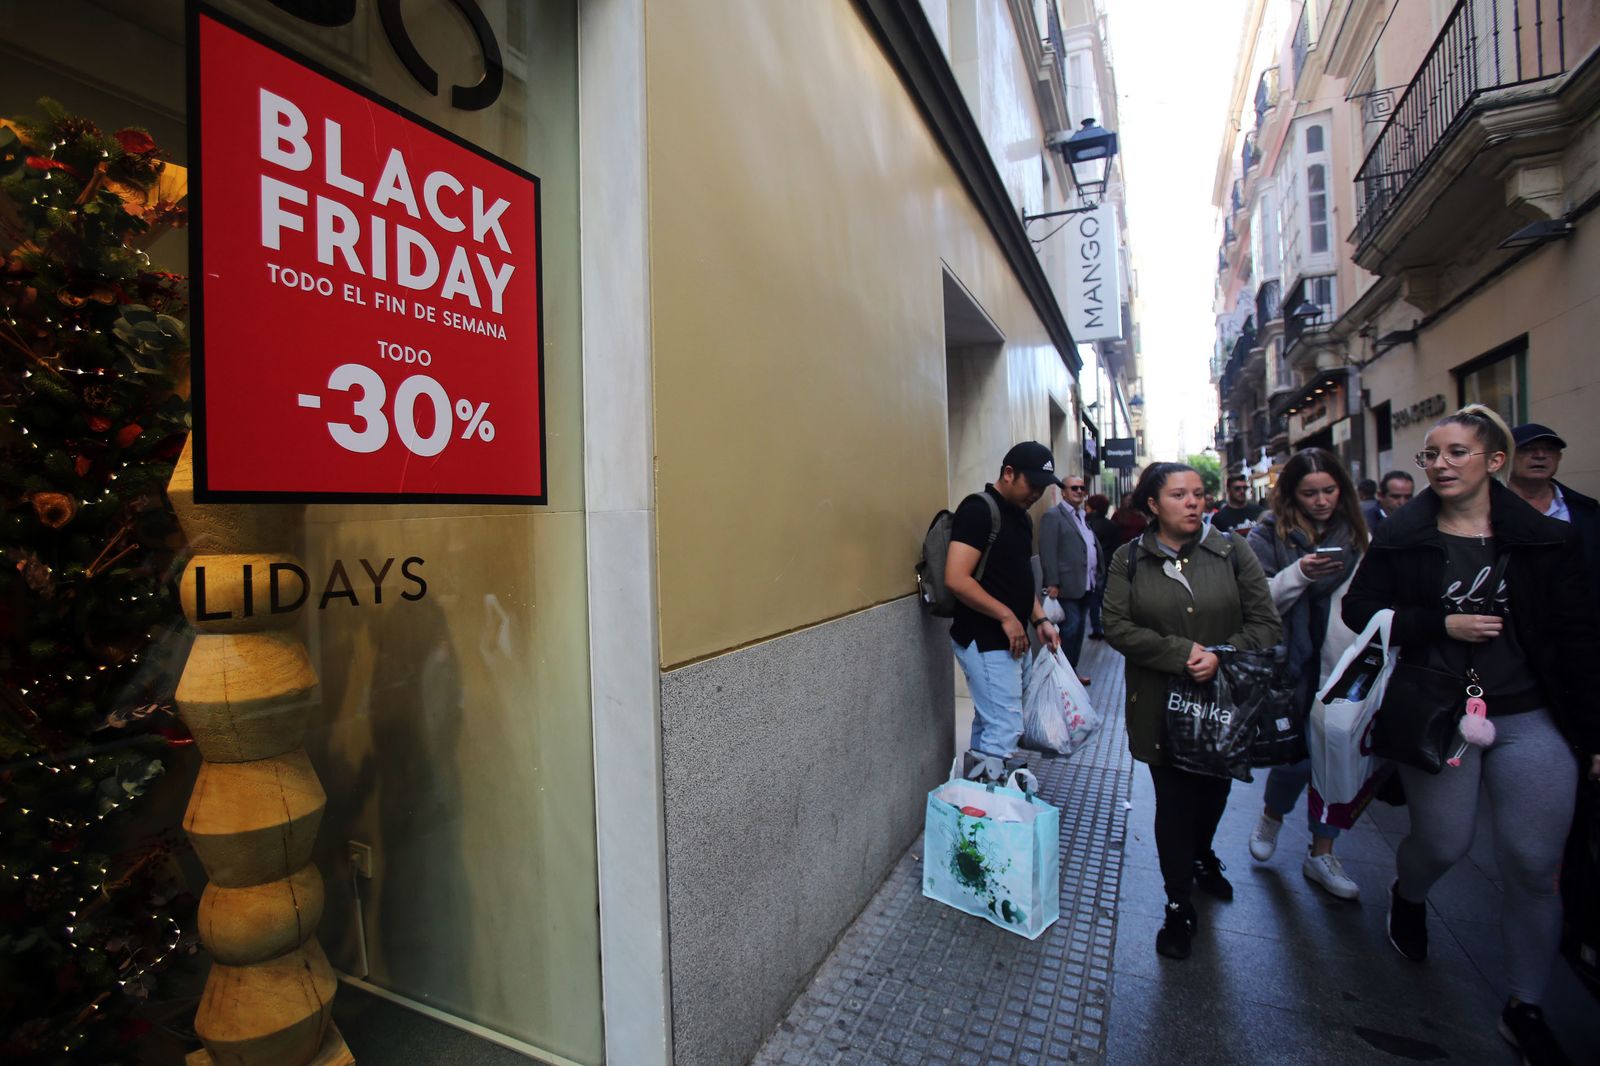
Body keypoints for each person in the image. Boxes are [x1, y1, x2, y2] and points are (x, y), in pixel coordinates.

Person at [1343, 404, 1600, 1066]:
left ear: (1494, 461)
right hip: (1438, 711)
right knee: (1444, 842)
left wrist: (1592, 732)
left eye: (1457, 452)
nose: (1441, 464)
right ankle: (1410, 892)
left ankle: (1525, 1004)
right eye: (1432, 454)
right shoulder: (1404, 536)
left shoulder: (1547, 540)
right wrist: (1439, 625)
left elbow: (1577, 638)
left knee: (1534, 865)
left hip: (1529, 713)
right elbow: (1358, 609)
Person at [1103, 462, 1282, 961]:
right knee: (1175, 803)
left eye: (1199, 493)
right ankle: (1178, 904)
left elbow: (1266, 623)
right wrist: (1183, 654)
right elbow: (1116, 626)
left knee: (1213, 792)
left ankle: (1203, 853)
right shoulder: (1129, 559)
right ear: (1153, 505)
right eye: (1179, 495)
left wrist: (1220, 654)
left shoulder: (1232, 551)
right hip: (1161, 705)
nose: (1193, 502)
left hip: (1224, 705)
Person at [1245, 448, 1369, 900]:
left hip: (1342, 665)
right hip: (1288, 665)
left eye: (1329, 491)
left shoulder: (1358, 536)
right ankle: (1272, 816)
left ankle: (1322, 851)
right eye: (1310, 493)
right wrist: (1298, 572)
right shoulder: (1267, 535)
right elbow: (1258, 602)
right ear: (1292, 495)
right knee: (1293, 759)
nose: (1321, 502)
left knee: (1334, 762)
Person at [945, 441, 1063, 780]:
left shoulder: (1022, 519)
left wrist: (1038, 618)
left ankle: (975, 807)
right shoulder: (978, 510)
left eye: (1043, 487)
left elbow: (1018, 577)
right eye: (1032, 484)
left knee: (990, 723)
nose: (1037, 493)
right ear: (1008, 473)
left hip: (1009, 639)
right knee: (1004, 727)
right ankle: (991, 816)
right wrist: (1007, 616)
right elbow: (956, 578)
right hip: (983, 639)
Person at [1509, 423, 1600, 609]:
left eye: (1549, 449)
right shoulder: (1485, 510)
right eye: (1527, 448)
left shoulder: (1586, 512)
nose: (1540, 455)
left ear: (1559, 458)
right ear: (1505, 457)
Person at [1040, 475, 1097, 684]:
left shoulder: (1082, 515)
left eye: (1082, 488)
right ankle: (1060, 675)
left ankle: (1071, 671)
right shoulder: (1053, 516)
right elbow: (1048, 550)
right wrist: (1052, 582)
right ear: (1063, 491)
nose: (1079, 491)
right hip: (1065, 586)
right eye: (1074, 488)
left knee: (1079, 630)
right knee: (1069, 631)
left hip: (1086, 585)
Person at [1084, 493, 1119, 640]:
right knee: (1106, 598)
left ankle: (1097, 629)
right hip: (1109, 563)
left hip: (1095, 567)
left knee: (1094, 598)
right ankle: (1112, 627)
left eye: (1087, 506)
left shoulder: (1088, 526)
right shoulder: (1112, 525)